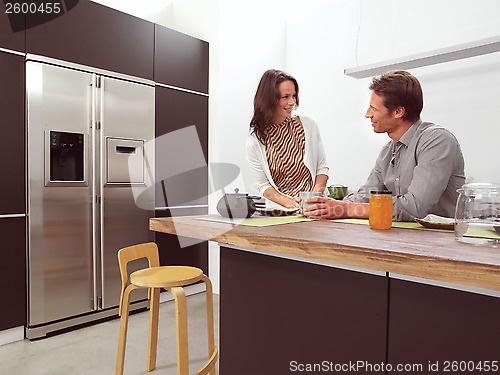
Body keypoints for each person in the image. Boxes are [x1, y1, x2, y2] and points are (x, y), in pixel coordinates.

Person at [303, 70, 465, 221]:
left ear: (398, 112)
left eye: (374, 108)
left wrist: (347, 209)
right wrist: (324, 205)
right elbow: (365, 195)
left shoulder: (437, 140)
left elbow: (414, 208)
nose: (368, 114)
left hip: (443, 242)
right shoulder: (388, 150)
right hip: (405, 237)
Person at [246, 69, 329, 209]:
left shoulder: (309, 125)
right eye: (285, 97)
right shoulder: (255, 141)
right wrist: (290, 203)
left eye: (294, 96)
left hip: (316, 207)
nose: (292, 102)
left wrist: (312, 197)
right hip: (283, 212)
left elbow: (322, 168)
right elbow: (263, 185)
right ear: (269, 99)